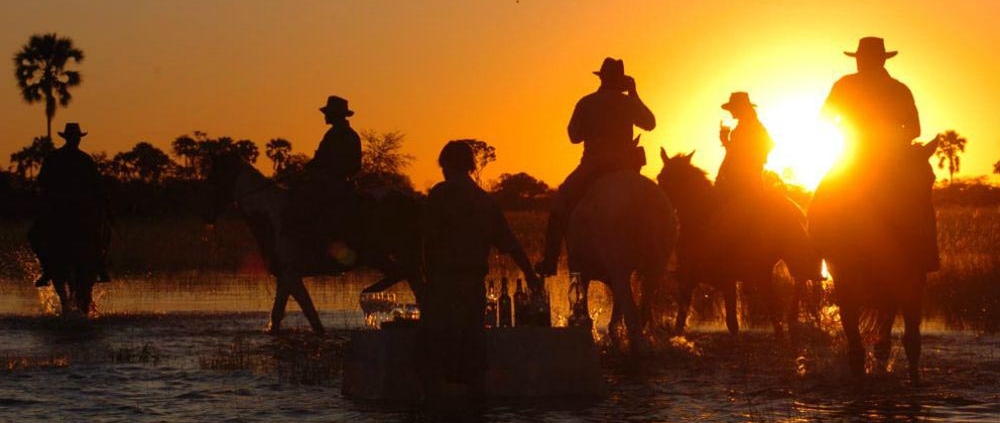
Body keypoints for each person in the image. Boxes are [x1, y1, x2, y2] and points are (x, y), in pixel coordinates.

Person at [419, 140, 542, 397]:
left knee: (439, 347)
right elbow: (511, 244)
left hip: (443, 283)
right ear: (470, 166)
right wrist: (530, 274)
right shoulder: (484, 200)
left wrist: (425, 279)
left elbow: (426, 240)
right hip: (473, 284)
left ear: (446, 165)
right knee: (472, 345)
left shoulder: (440, 194)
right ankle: (474, 402)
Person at [818, 36, 938, 271]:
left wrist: (848, 128)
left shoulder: (851, 85)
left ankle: (820, 248)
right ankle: (926, 256)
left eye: (865, 58)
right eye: (860, 58)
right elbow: (915, 129)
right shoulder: (896, 88)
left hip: (857, 157)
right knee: (920, 205)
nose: (861, 62)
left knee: (824, 199)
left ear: (880, 60)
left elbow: (825, 117)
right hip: (871, 155)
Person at [536, 57, 656, 276]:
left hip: (592, 167)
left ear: (602, 78)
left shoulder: (586, 102)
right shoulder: (629, 103)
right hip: (625, 169)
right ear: (622, 81)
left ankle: (550, 260)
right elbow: (650, 123)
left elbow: (574, 136)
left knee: (560, 206)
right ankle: (654, 258)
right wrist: (634, 94)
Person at [284, 95, 363, 267]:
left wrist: (323, 172)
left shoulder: (344, 135)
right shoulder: (337, 134)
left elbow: (351, 164)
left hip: (335, 184)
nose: (325, 116)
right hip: (330, 182)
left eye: (328, 113)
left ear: (336, 115)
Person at [30, 123, 112, 287]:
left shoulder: (54, 157)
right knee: (103, 233)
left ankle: (47, 271)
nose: (76, 140)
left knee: (34, 236)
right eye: (75, 137)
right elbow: (97, 185)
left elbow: (42, 181)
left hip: (58, 207)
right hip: (76, 207)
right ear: (71, 138)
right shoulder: (84, 159)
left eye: (76, 137)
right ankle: (100, 267)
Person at [716, 92, 774, 197]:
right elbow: (735, 151)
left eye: (733, 107)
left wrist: (751, 164)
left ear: (740, 108)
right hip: (737, 175)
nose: (730, 111)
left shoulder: (751, 125)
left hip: (745, 179)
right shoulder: (745, 124)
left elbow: (767, 144)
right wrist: (726, 142)